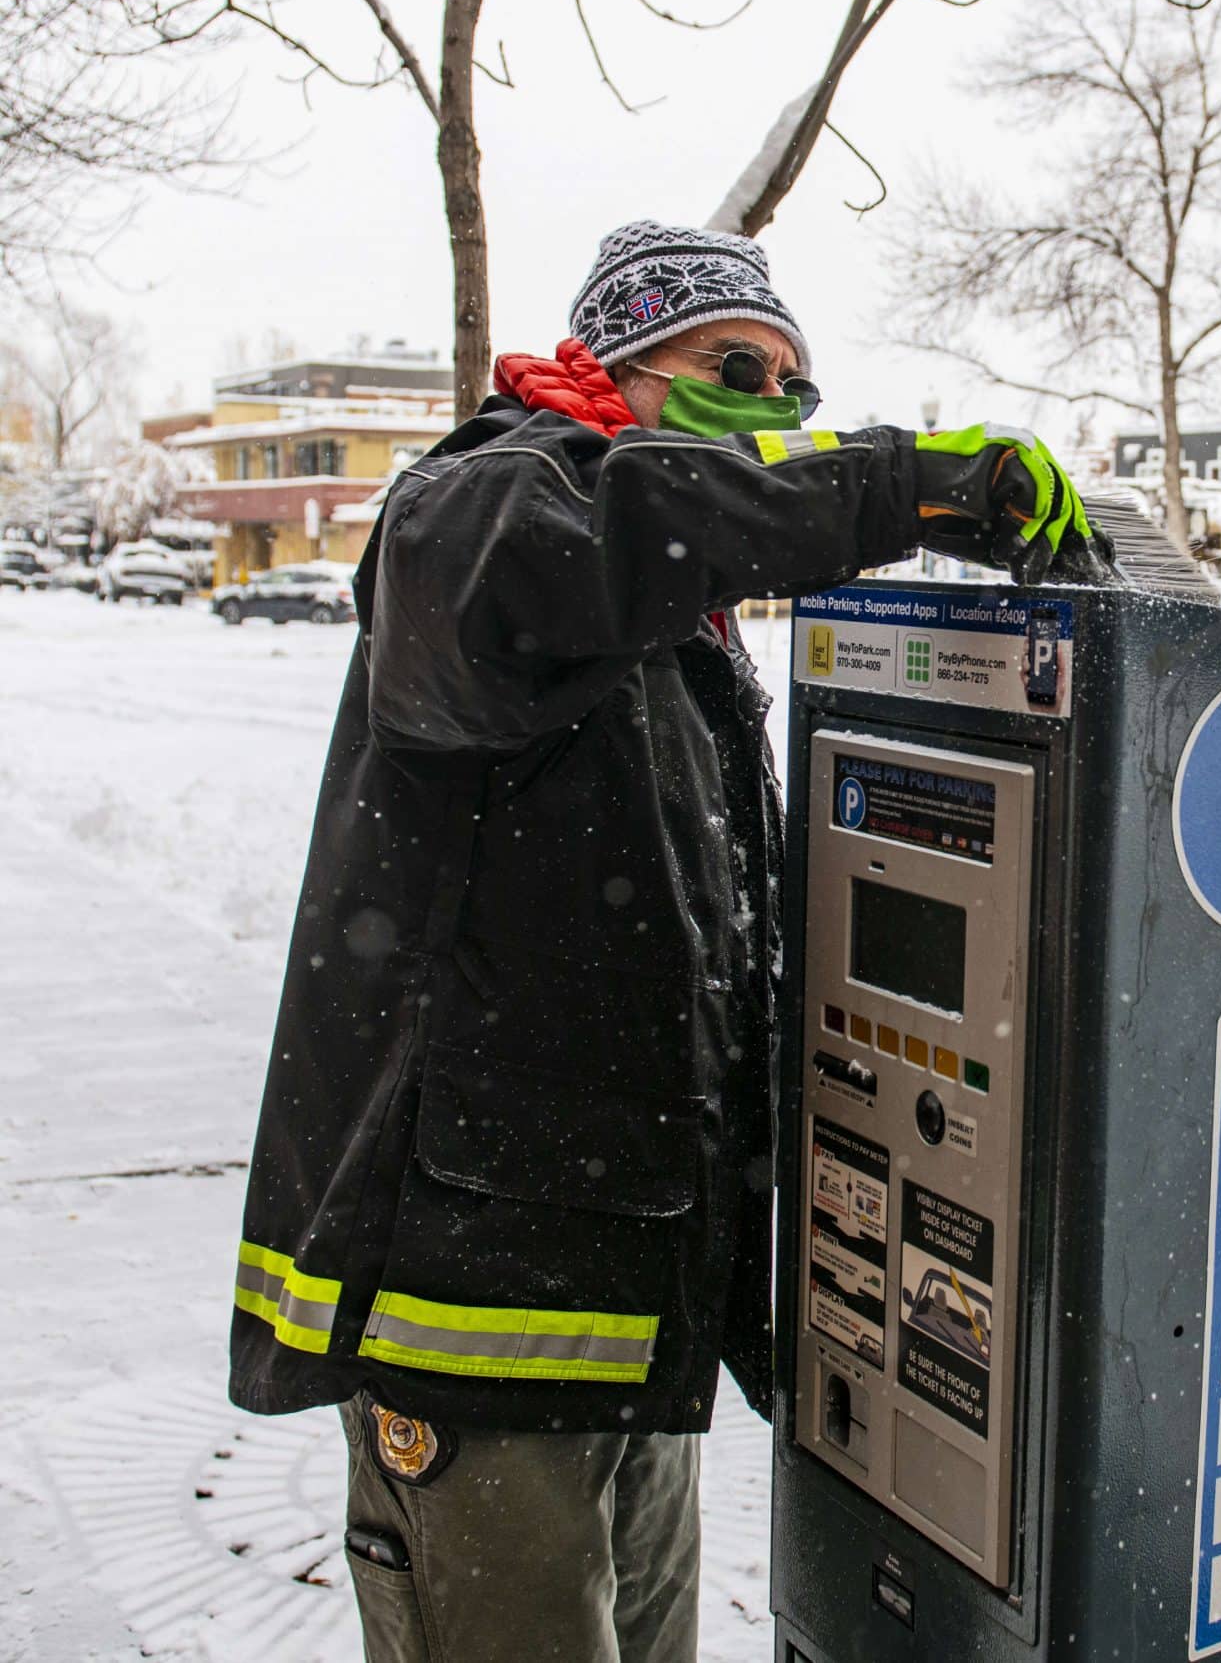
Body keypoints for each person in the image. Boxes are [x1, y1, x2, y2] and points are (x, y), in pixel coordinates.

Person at [227, 220, 1105, 1662]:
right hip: (479, 1313)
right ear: (613, 362)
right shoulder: (481, 509)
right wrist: (909, 481)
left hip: (629, 1309)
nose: (771, 407)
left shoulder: (669, 615)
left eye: (793, 386)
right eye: (735, 365)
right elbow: (617, 534)